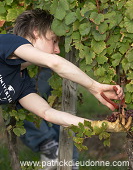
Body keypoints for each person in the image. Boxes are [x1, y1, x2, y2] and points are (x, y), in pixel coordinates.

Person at [0, 9, 131, 168]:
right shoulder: (7, 42)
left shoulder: (21, 82)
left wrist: (100, 126)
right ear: (35, 32)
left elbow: (48, 113)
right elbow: (54, 62)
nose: (57, 49)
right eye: (53, 40)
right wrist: (94, 87)